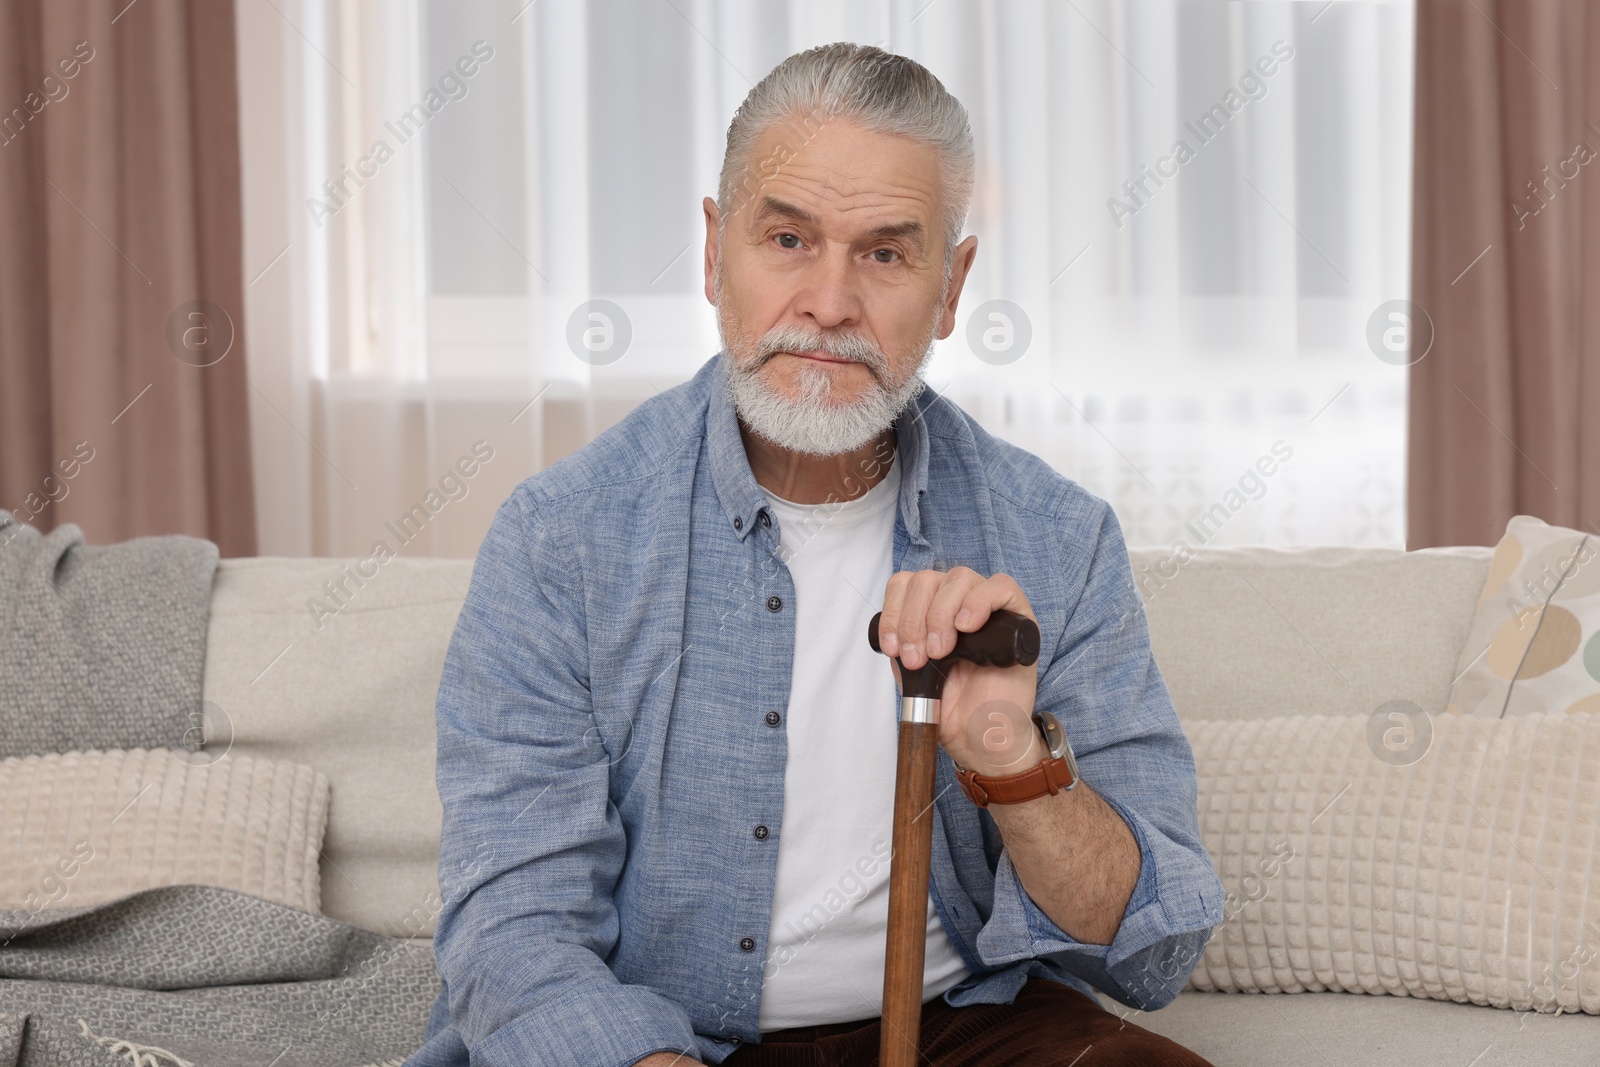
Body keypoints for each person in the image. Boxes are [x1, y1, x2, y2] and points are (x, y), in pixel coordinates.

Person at [406, 41, 1223, 1067]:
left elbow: (1153, 951)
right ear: (714, 254)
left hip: (968, 1026)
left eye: (884, 253)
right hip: (664, 1041)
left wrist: (1014, 761)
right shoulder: (559, 539)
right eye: (788, 238)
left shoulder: (1058, 537)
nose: (830, 304)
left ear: (950, 285)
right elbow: (516, 932)